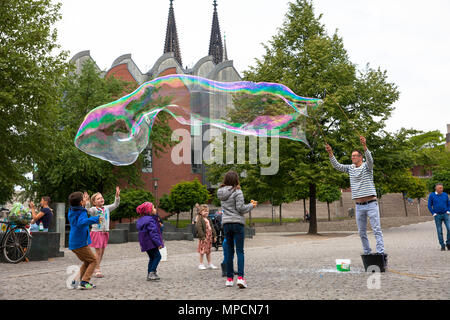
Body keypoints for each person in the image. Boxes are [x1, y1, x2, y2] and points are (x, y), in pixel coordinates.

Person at [326, 136, 385, 255]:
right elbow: (337, 166)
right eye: (352, 156)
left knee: (376, 230)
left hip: (371, 204)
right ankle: (367, 252)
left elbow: (370, 160)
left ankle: (380, 253)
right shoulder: (350, 168)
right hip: (359, 205)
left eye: (355, 156)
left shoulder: (367, 167)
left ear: (360, 157)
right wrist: (331, 152)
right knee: (361, 232)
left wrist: (364, 145)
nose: (352, 157)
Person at [217, 171, 257, 289]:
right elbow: (241, 208)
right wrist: (251, 206)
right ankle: (240, 278)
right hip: (237, 223)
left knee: (229, 251)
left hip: (226, 223)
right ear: (236, 180)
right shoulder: (238, 192)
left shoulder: (220, 192)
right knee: (240, 251)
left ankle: (229, 279)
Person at [67, 191, 103, 290]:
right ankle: (85, 282)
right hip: (80, 243)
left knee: (87, 262)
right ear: (80, 203)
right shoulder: (82, 211)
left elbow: (79, 214)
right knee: (93, 260)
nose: (85, 200)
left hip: (74, 242)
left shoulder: (72, 210)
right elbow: (81, 222)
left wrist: (85, 202)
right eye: (83, 199)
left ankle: (75, 281)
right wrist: (95, 219)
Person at [83, 187, 120, 278]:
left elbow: (116, 204)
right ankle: (97, 269)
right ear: (94, 202)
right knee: (98, 251)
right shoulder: (94, 209)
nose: (101, 199)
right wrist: (87, 202)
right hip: (97, 232)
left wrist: (117, 196)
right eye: (98, 198)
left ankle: (96, 267)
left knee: (102, 251)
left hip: (105, 232)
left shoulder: (106, 208)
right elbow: (88, 210)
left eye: (101, 197)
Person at [136, 202, 164, 281]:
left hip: (145, 243)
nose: (155, 209)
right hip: (151, 243)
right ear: (149, 211)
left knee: (152, 257)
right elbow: (153, 233)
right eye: (153, 208)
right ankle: (152, 272)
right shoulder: (150, 220)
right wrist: (158, 243)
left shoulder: (143, 220)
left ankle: (149, 273)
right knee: (158, 256)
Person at [195, 204, 218, 270]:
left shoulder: (208, 219)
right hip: (204, 237)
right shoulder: (200, 219)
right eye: (204, 211)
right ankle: (201, 264)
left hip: (209, 237)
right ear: (200, 212)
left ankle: (209, 263)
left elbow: (212, 228)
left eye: (207, 211)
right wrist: (203, 237)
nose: (206, 212)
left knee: (208, 251)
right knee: (202, 251)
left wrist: (215, 236)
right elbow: (199, 229)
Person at [427, 183, 450, 251]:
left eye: (442, 188)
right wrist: (433, 213)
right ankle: (442, 245)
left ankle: (448, 243)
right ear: (436, 188)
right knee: (439, 231)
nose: (441, 189)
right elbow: (429, 205)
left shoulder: (445, 194)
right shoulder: (432, 195)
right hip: (437, 216)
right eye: (440, 188)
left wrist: (448, 211)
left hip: (446, 214)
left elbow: (449, 204)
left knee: (449, 229)